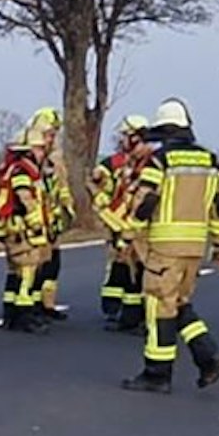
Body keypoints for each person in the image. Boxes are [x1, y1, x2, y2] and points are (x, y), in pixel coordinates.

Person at [119, 98, 219, 393]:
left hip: (165, 247)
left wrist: (127, 236)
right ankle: (207, 356)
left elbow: (145, 203)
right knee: (179, 303)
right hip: (195, 247)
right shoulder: (211, 161)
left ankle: (157, 374)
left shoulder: (161, 161)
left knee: (158, 305)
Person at [0, 120, 56, 334]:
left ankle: (10, 314)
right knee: (26, 273)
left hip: (15, 229)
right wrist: (35, 222)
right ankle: (23, 317)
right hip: (23, 230)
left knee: (15, 273)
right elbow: (24, 197)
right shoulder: (23, 171)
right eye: (39, 148)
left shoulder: (18, 168)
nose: (42, 152)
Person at [93, 115, 150, 332]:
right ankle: (128, 316)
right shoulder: (123, 163)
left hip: (139, 227)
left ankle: (137, 317)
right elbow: (99, 177)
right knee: (126, 271)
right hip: (123, 226)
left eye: (126, 136)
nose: (122, 141)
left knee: (138, 272)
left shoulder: (150, 163)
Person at [28, 107, 76, 322]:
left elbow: (61, 185)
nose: (52, 138)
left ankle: (46, 304)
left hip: (51, 221)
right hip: (35, 222)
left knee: (53, 263)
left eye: (54, 134)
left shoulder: (54, 160)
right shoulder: (30, 158)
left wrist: (67, 206)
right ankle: (32, 305)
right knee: (35, 266)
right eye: (49, 134)